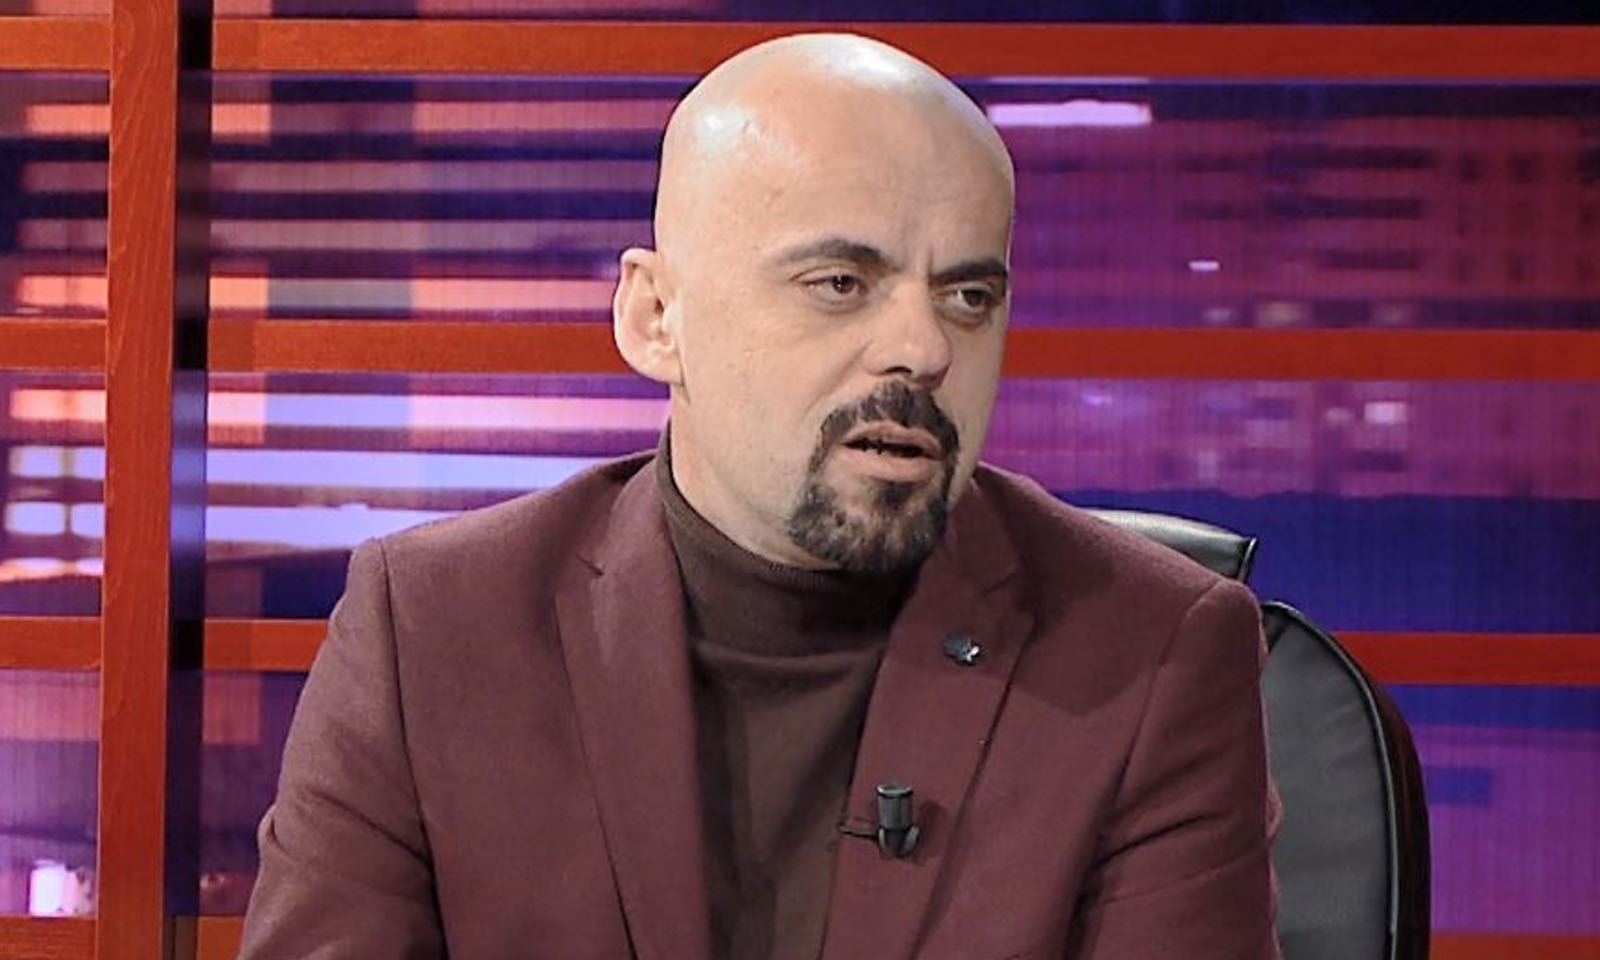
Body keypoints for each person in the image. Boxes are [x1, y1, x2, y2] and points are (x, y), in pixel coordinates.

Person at [238, 32, 1280, 960]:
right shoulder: (434, 629)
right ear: (656, 318)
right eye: (840, 284)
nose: (922, 348)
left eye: (968, 296)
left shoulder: (1148, 652)